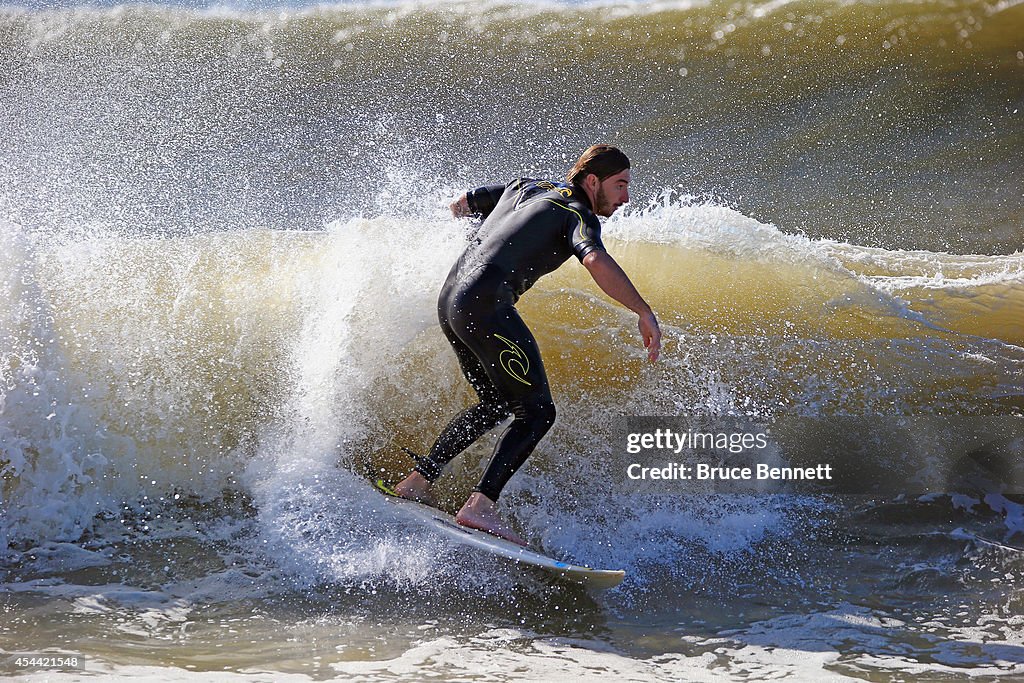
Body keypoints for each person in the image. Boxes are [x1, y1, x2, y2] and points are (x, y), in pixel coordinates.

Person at [394, 144, 661, 545]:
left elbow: (462, 204)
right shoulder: (578, 213)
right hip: (485, 306)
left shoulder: (524, 186)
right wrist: (642, 310)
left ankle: (418, 481)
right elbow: (595, 261)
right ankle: (480, 505)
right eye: (620, 185)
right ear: (592, 181)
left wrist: (482, 246)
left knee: (498, 402)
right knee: (537, 413)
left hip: (451, 300)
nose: (625, 197)